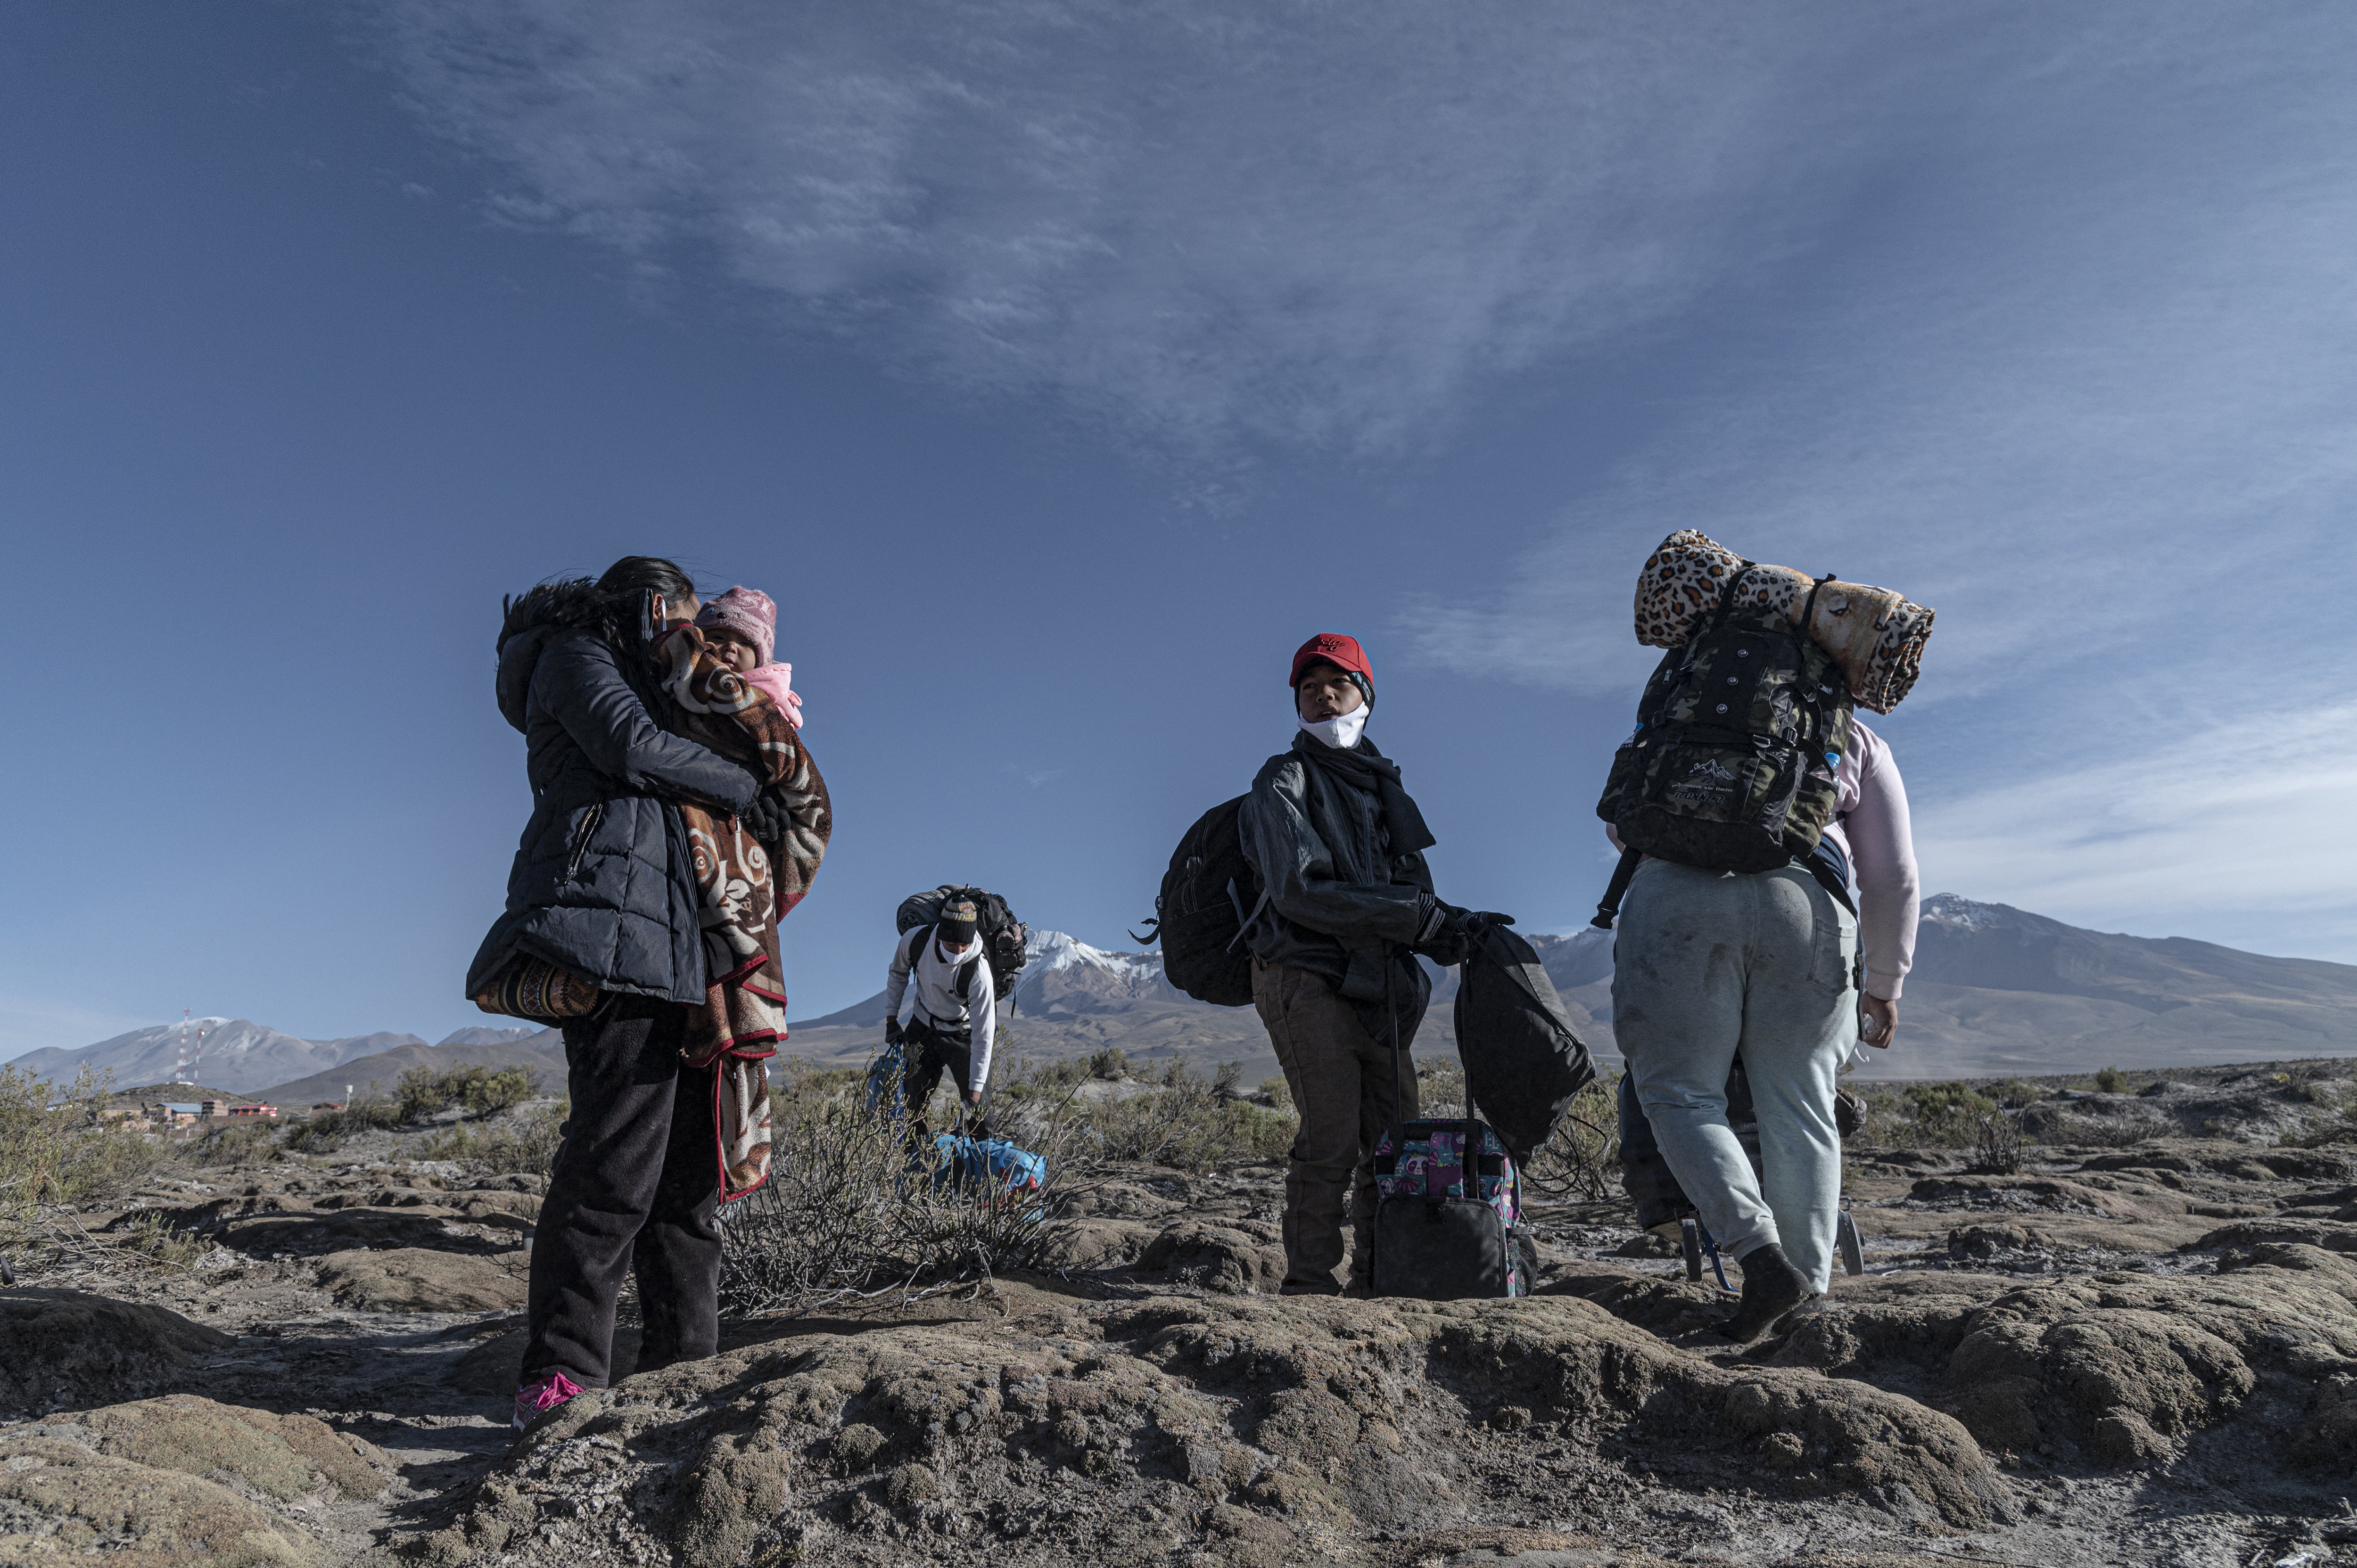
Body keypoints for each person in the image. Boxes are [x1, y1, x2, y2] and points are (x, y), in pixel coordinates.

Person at [465, 556, 808, 1433]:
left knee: (686, 1184)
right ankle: (561, 1377)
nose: (685, 636)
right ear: (646, 603)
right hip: (607, 936)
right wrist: (748, 785)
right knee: (612, 1168)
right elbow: (628, 745)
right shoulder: (575, 654)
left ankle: (683, 1370)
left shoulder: (652, 678)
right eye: (678, 617)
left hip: (679, 950)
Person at [1610, 715, 1919, 1339]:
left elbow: (1621, 824)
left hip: (1676, 891)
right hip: (1806, 901)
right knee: (1801, 1101)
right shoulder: (1853, 734)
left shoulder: (1678, 711)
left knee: (1679, 1093)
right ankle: (1805, 1299)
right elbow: (1892, 876)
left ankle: (1761, 1258)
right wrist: (1885, 985)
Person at [1237, 633, 1502, 1296]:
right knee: (1330, 1134)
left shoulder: (1384, 787)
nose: (1324, 694)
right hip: (1305, 974)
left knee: (1397, 1139)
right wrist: (1414, 918)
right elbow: (1298, 889)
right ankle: (1308, 1283)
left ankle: (1384, 1275)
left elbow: (1406, 895)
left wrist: (1453, 927)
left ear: (1367, 695)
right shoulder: (1283, 779)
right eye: (1309, 686)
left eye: (1340, 683)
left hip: (1378, 985)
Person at [881, 897, 997, 1132]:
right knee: (911, 1106)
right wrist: (891, 1020)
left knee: (981, 1118)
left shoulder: (980, 974)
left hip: (963, 1035)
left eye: (964, 946)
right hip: (923, 1027)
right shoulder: (916, 941)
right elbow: (897, 974)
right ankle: (917, 1163)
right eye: (953, 944)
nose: (959, 951)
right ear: (940, 934)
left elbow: (983, 1038)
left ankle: (981, 1164)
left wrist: (975, 1093)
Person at [693, 585, 804, 731]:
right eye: (718, 637)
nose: (731, 647)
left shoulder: (769, 704)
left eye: (745, 643)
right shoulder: (682, 678)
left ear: (760, 660)